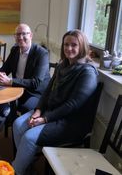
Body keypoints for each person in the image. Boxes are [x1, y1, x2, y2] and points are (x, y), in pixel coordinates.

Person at [12, 29, 98, 175]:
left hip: (70, 122)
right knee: (18, 124)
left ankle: (16, 170)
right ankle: (26, 164)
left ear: (82, 46)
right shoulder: (62, 65)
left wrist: (44, 119)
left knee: (28, 137)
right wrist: (38, 110)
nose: (69, 48)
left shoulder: (87, 72)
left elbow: (73, 105)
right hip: (51, 112)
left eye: (74, 45)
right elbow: (47, 91)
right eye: (66, 44)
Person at [0, 23, 50, 160]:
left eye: (24, 34)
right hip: (16, 90)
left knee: (22, 109)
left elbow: (36, 82)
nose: (21, 37)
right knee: (1, 108)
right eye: (17, 34)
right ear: (15, 37)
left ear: (31, 35)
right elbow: (5, 69)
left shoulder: (41, 53)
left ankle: (24, 155)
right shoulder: (15, 50)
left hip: (35, 93)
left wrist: (10, 82)